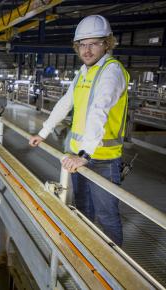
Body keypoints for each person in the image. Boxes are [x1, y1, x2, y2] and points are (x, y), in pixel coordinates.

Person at [29, 15, 129, 246]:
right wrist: (43, 133)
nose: (87, 49)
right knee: (83, 208)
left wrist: (84, 154)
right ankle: (88, 249)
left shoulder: (111, 71)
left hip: (102, 159)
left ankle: (113, 266)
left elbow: (99, 110)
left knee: (107, 215)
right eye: (82, 44)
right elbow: (65, 103)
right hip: (78, 157)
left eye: (93, 43)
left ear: (107, 43)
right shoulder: (84, 72)